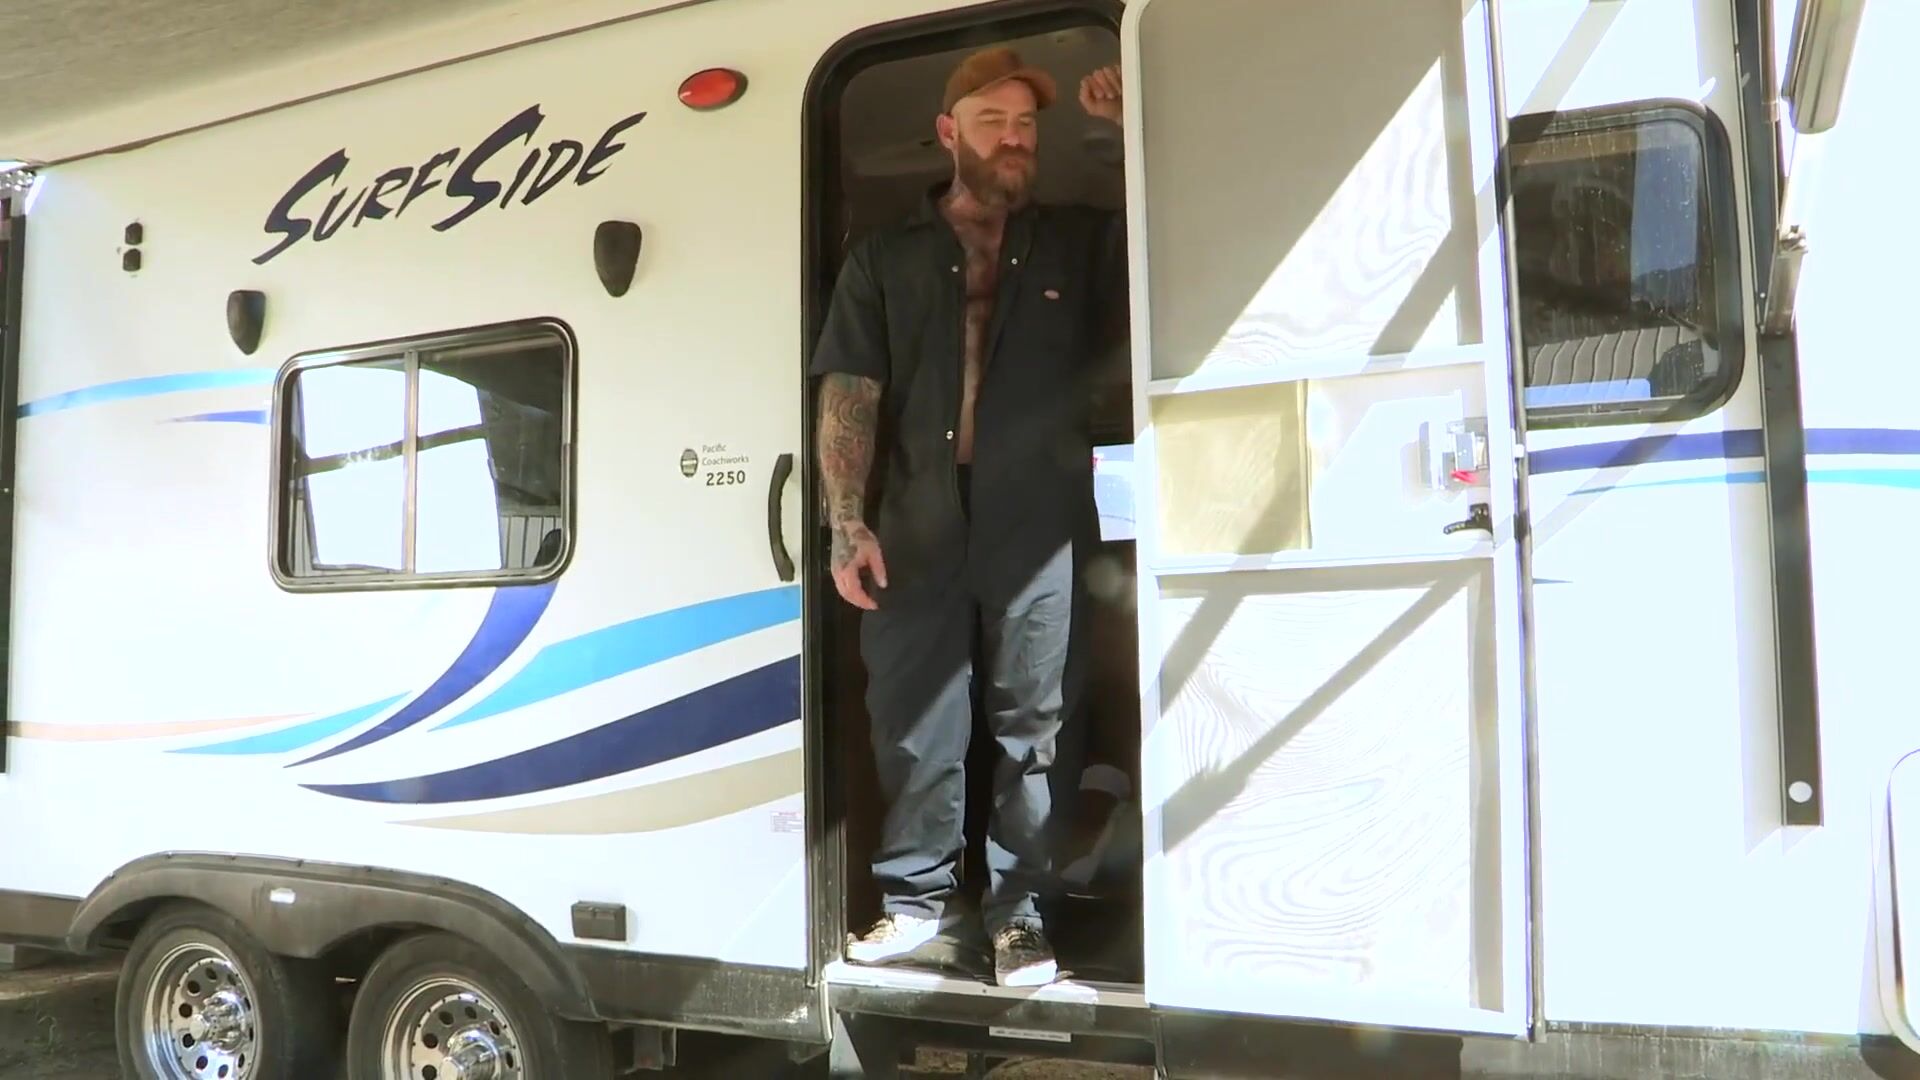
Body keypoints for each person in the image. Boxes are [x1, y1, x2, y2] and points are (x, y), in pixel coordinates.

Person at [809, 44, 1128, 988]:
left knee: (1036, 725)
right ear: (950, 132)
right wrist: (845, 523)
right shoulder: (886, 258)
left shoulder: (1078, 241)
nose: (1014, 138)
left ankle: (1020, 918)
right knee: (916, 719)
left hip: (1040, 520)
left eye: (1027, 124)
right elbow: (851, 392)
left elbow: (1175, 236)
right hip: (918, 517)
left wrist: (1129, 131)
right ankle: (915, 902)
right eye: (994, 122)